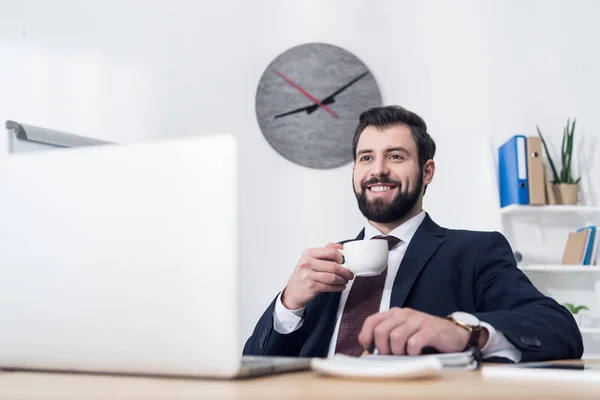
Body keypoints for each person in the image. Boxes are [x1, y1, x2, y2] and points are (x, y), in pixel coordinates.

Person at [243, 105, 583, 362]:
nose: (377, 170)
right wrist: (289, 304)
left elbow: (558, 328)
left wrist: (463, 331)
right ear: (355, 171)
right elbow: (256, 363)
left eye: (395, 156)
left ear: (427, 171)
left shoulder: (475, 251)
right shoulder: (325, 264)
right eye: (366, 158)